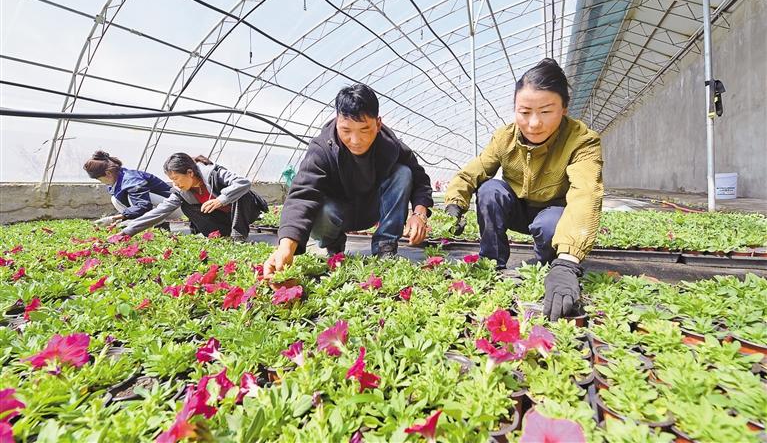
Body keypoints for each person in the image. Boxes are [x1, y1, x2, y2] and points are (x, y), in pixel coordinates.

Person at [444, 58, 604, 321]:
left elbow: (586, 194)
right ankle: (492, 264)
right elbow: (475, 170)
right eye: (525, 111)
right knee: (490, 190)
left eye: (546, 111)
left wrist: (568, 262)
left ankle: (547, 270)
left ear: (564, 109)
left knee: (549, 224)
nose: (534, 123)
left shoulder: (582, 141)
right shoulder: (505, 138)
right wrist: (454, 204)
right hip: (517, 209)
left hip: (553, 213)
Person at [263, 83, 434, 275]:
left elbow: (420, 179)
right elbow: (302, 194)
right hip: (336, 213)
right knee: (320, 207)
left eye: (364, 130)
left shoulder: (390, 145)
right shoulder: (322, 149)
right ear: (337, 121)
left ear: (378, 124)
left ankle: (385, 247)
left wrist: (419, 214)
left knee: (403, 173)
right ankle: (334, 246)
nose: (355, 140)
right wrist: (286, 247)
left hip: (373, 209)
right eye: (346, 130)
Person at [117, 153, 268, 241]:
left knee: (241, 193)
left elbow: (243, 182)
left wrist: (221, 199)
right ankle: (219, 236)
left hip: (246, 213)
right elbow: (160, 211)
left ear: (190, 173)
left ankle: (238, 237)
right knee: (186, 206)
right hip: (224, 219)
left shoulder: (213, 173)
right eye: (172, 180)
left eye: (176, 178)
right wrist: (128, 231)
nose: (175, 183)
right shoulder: (181, 191)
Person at [83, 151, 175, 226]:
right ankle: (143, 224)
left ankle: (158, 224)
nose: (101, 182)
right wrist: (120, 220)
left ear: (108, 173)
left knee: (130, 197)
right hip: (161, 207)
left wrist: (113, 218)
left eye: (99, 179)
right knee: (115, 199)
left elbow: (143, 206)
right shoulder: (118, 180)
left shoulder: (131, 180)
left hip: (174, 206)